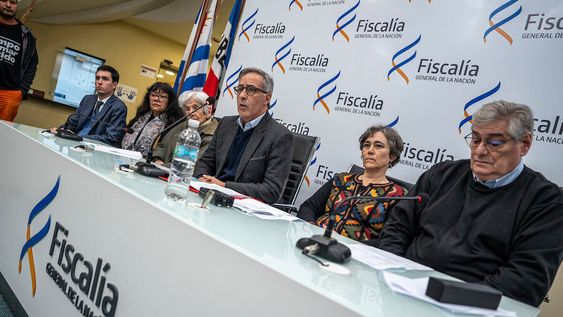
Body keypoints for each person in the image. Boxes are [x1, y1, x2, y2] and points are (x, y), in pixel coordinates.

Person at [378, 101, 563, 306]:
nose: (480, 151)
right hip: (403, 290)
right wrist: (392, 271)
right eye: (475, 140)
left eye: (494, 143)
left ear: (525, 144)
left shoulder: (546, 201)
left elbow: (525, 281)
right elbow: (398, 227)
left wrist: (445, 298)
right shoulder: (441, 174)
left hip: (469, 306)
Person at [193, 67, 294, 204]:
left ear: (267, 98)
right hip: (212, 196)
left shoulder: (280, 136)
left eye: (251, 90)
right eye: (240, 88)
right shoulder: (226, 124)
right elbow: (205, 162)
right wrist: (202, 179)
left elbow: (271, 190)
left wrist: (224, 186)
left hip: (244, 207)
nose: (242, 95)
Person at [297, 126, 407, 246]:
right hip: (315, 240)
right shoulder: (341, 180)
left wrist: (346, 245)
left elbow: (388, 240)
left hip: (351, 254)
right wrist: (311, 229)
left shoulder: (397, 195)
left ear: (392, 156)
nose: (370, 150)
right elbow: (309, 207)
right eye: (366, 145)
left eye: (378, 146)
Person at [50, 65, 127, 147]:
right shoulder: (87, 99)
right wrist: (62, 130)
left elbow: (111, 138)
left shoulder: (119, 107)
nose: (99, 82)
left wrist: (78, 137)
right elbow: (72, 123)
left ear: (114, 85)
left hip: (94, 150)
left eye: (105, 79)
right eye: (97, 78)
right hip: (74, 145)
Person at [152, 91, 218, 165]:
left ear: (208, 111)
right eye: (187, 109)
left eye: (195, 108)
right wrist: (157, 159)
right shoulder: (183, 125)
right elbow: (162, 145)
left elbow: (192, 163)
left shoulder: (212, 135)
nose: (191, 113)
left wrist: (163, 166)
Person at [0, 0, 38, 121]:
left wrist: (21, 92)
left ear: (17, 5)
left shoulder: (26, 35)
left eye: (13, 2)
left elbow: (32, 66)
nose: (8, 5)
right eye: (4, 0)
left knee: (3, 136)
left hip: (10, 95)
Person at [121, 82, 183, 157]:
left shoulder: (173, 122)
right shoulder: (142, 115)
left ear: (170, 101)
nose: (156, 99)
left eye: (162, 97)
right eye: (153, 95)